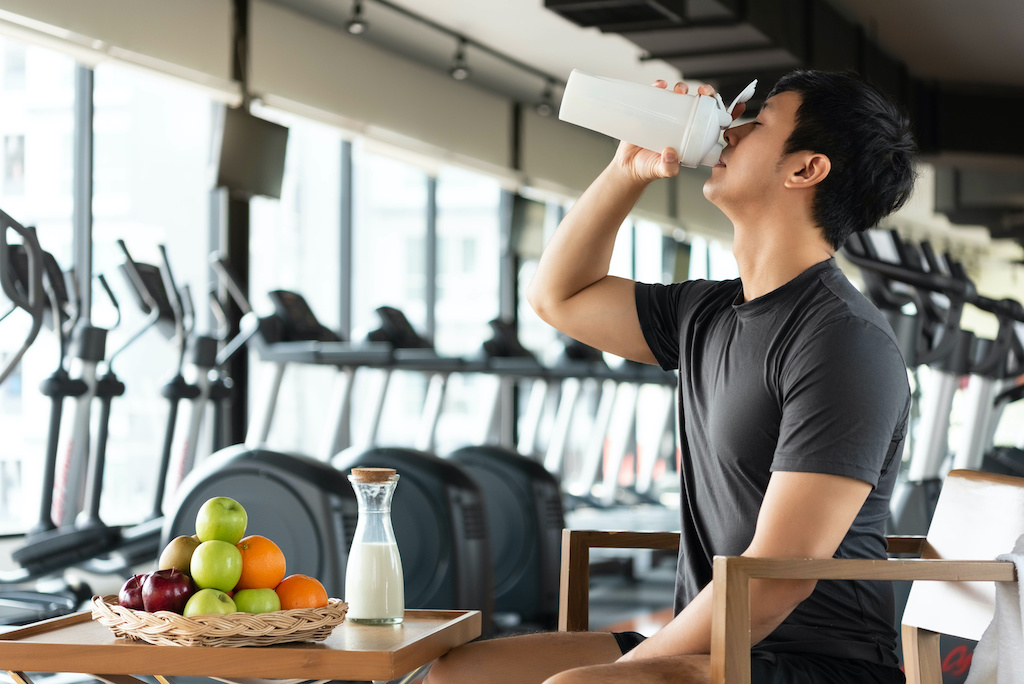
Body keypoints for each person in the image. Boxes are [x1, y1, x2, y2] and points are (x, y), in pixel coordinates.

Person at [424, 69, 917, 684]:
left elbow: (771, 586)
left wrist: (627, 669)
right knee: (459, 674)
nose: (729, 131)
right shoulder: (706, 310)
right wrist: (628, 169)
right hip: (708, 641)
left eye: (755, 123)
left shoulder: (843, 342)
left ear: (804, 170)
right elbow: (561, 296)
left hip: (811, 663)